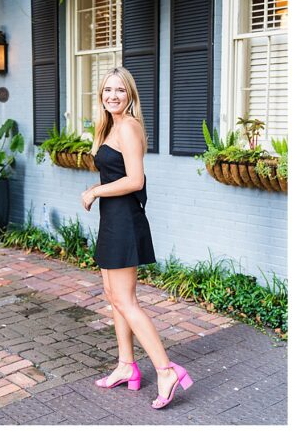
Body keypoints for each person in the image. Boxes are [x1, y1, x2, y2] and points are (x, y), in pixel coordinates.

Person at [82, 67, 193, 408]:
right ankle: (126, 366)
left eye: (120, 90)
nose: (113, 95)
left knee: (126, 301)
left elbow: (135, 180)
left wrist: (95, 190)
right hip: (113, 221)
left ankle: (165, 370)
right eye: (107, 90)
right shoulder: (111, 126)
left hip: (124, 222)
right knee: (114, 297)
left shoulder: (128, 126)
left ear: (130, 95)